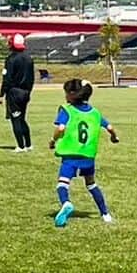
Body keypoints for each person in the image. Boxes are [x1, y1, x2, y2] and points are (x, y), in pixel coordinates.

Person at [49, 78, 120, 228]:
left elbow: (61, 128)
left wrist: (53, 140)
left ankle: (66, 203)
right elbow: (110, 127)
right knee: (91, 184)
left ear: (72, 94)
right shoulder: (95, 113)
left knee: (63, 183)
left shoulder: (67, 109)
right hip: (88, 155)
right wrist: (114, 137)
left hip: (70, 155)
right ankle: (105, 214)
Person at [0, 33, 35, 152]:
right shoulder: (29, 59)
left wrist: (1, 94)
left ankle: (20, 146)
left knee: (16, 119)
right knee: (22, 118)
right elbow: (32, 78)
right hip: (25, 92)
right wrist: (28, 91)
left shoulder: (11, 59)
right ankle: (28, 144)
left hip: (14, 92)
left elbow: (7, 78)